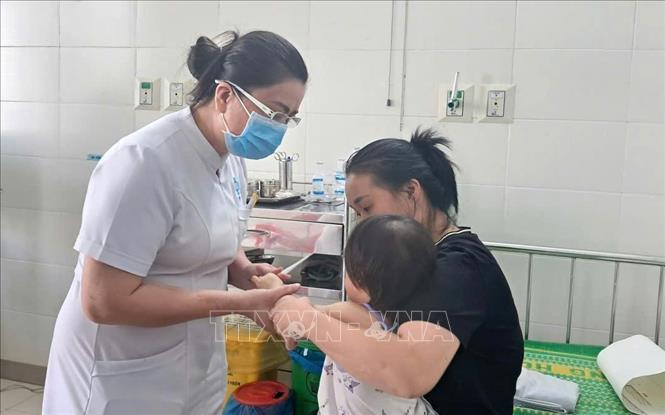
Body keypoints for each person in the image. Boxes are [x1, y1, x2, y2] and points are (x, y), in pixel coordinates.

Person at [43, 30, 307, 414]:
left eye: (289, 118)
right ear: (224, 96)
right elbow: (102, 300)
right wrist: (240, 303)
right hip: (122, 372)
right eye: (274, 113)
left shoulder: (229, 156)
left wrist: (245, 271)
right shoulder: (143, 163)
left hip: (192, 364)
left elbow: (207, 234)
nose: (279, 128)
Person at [270, 128, 524, 414]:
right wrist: (298, 312)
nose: (363, 223)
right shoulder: (414, 261)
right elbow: (375, 320)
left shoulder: (456, 268)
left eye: (367, 208)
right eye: (357, 214)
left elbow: (409, 373)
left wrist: (309, 319)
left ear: (411, 192)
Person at [253, 215, 442, 414]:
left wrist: (274, 288)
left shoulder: (353, 313)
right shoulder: (412, 318)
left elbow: (298, 317)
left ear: (358, 278)